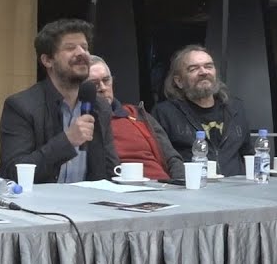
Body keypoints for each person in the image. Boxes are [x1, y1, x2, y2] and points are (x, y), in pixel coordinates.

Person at [0, 18, 118, 183]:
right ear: (47, 60)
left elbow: (110, 169)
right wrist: (67, 141)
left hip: (89, 197)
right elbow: (12, 173)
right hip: (40, 198)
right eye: (70, 48)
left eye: (84, 47)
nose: (82, 53)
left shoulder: (99, 106)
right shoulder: (21, 106)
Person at [151, 44, 252, 177]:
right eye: (193, 69)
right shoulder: (165, 113)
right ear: (179, 81)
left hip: (236, 186)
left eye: (208, 66)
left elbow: (248, 154)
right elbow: (160, 162)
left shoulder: (235, 108)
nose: (204, 72)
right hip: (191, 186)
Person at [88, 56, 183, 181]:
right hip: (120, 186)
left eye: (106, 80)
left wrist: (181, 183)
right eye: (94, 84)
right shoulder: (84, 123)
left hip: (164, 184)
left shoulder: (136, 114)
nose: (103, 88)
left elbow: (171, 157)